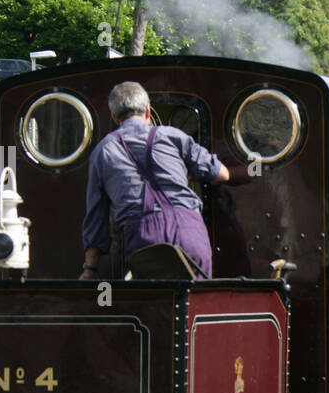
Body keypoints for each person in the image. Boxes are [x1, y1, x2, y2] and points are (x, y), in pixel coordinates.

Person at [81, 81, 228, 279]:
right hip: (189, 229)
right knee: (197, 302)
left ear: (115, 118)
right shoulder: (174, 136)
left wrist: (90, 268)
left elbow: (96, 216)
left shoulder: (102, 152)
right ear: (148, 111)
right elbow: (221, 174)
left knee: (154, 306)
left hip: (143, 237)